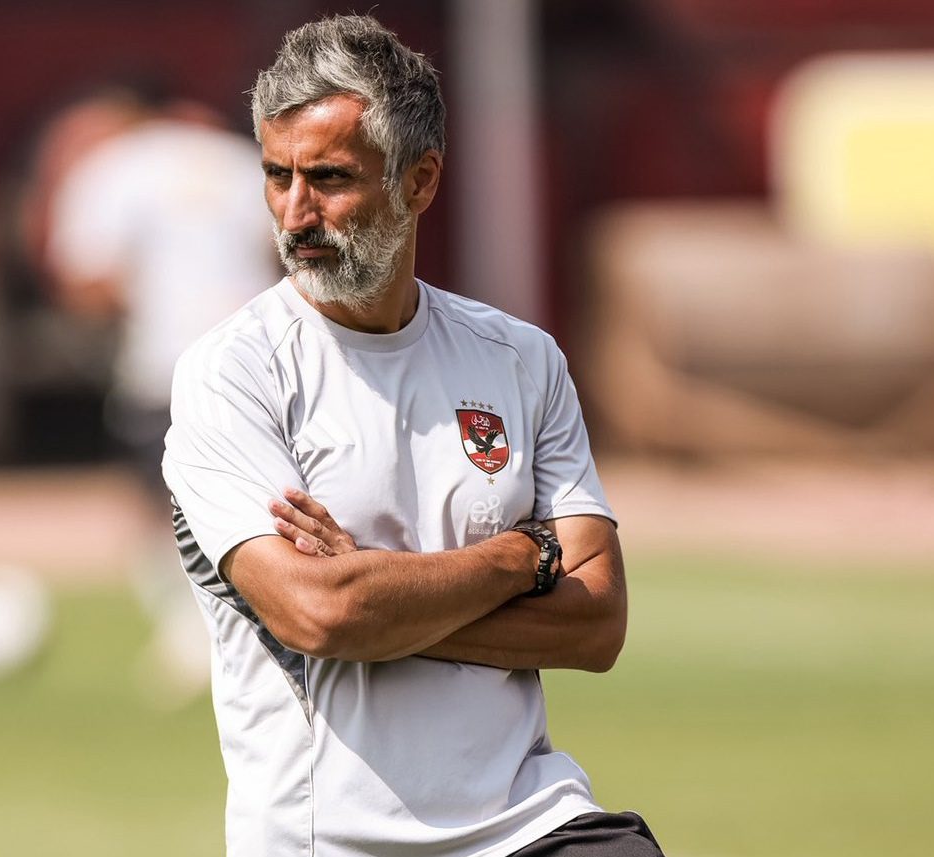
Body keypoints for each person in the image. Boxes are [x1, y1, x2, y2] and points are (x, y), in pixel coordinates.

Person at [163, 15, 662, 857]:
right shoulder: (231, 374)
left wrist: (382, 597)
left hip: (529, 822)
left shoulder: (522, 359)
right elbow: (321, 611)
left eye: (328, 178)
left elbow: (597, 622)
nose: (295, 211)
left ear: (419, 181)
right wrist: (521, 559)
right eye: (276, 176)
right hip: (337, 840)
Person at [38, 86, 281, 703]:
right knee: (265, 496)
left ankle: (197, 622)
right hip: (258, 354)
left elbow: (85, 280)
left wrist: (144, 307)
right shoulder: (242, 161)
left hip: (165, 363)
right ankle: (250, 621)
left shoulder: (113, 167)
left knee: (156, 506)